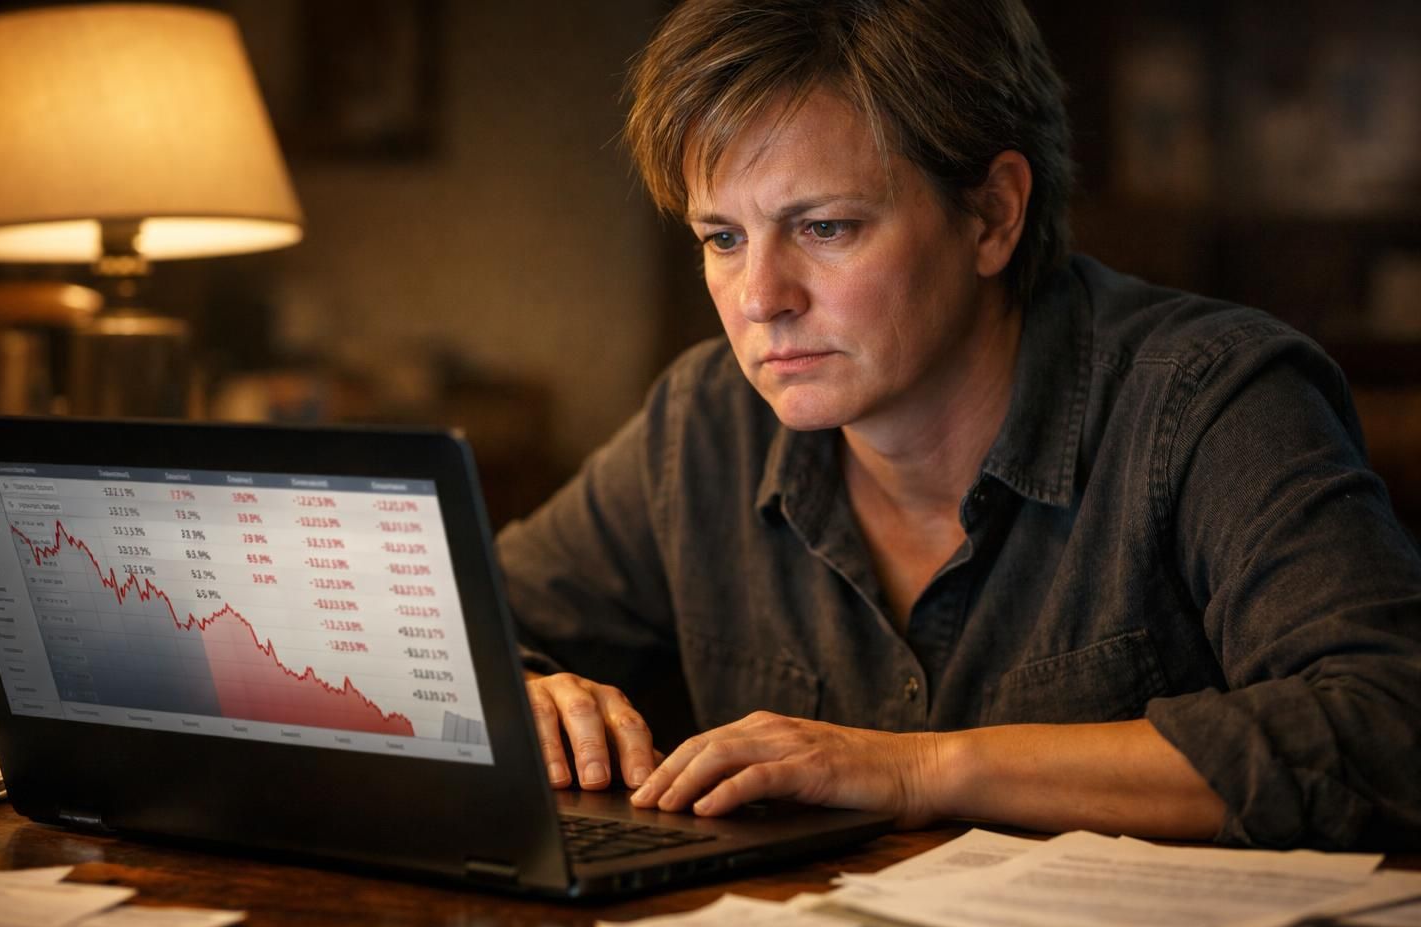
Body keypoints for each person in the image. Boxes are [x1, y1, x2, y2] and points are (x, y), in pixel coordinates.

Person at [495, 0, 1421, 849]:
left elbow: (1387, 728)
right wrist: (528, 691)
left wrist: (919, 769)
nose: (760, 298)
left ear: (992, 215)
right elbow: (468, 630)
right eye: (723, 238)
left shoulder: (1213, 399)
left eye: (824, 227)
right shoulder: (705, 424)